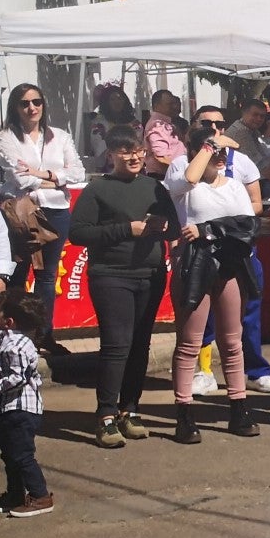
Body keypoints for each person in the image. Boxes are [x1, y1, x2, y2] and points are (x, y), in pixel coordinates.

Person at [69, 130, 176, 447]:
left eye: (138, 151)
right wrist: (126, 229)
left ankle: (130, 409)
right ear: (111, 155)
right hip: (111, 275)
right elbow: (78, 233)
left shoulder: (155, 186)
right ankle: (105, 414)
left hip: (150, 274)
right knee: (117, 345)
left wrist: (163, 225)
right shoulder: (98, 188)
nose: (133, 157)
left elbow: (172, 221)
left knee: (140, 344)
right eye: (125, 151)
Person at [165, 122, 265, 443]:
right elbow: (190, 178)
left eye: (223, 151)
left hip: (229, 263)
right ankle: (185, 412)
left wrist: (207, 229)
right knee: (190, 342)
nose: (221, 156)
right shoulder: (184, 181)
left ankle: (238, 406)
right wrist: (209, 144)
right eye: (214, 151)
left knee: (231, 340)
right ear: (198, 152)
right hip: (194, 263)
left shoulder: (234, 186)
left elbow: (246, 226)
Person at [1, 84, 87, 325]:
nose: (32, 108)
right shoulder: (6, 137)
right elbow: (21, 179)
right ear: (15, 107)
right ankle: (13, 330)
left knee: (47, 277)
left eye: (36, 102)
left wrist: (43, 174)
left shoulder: (59, 136)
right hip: (21, 212)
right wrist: (58, 180)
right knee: (17, 274)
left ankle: (44, 333)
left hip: (56, 211)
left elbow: (79, 173)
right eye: (25, 103)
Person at [0, 296, 50, 518]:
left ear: (9, 321)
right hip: (12, 408)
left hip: (20, 409)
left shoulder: (14, 346)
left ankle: (40, 496)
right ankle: (15, 495)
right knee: (10, 454)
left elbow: (16, 378)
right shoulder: (13, 340)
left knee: (21, 455)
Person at [226, 99, 270, 185]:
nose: (259, 119)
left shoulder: (252, 131)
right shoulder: (241, 132)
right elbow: (261, 166)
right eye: (255, 115)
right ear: (244, 113)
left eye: (262, 116)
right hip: (238, 184)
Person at [141, 90, 185, 177]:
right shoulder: (157, 125)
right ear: (157, 106)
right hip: (164, 176)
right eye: (170, 104)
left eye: (174, 103)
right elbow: (161, 156)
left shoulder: (165, 123)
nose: (174, 107)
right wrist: (181, 171)